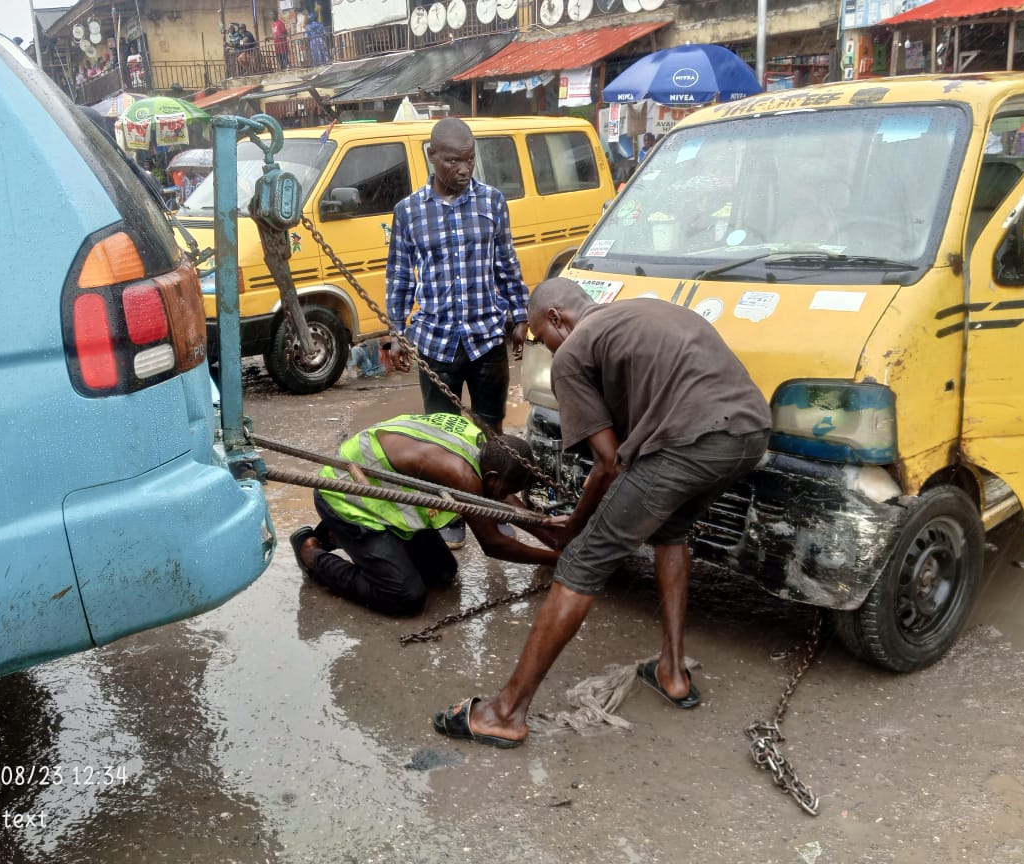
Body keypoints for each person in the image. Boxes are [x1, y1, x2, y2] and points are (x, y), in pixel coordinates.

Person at [431, 278, 772, 748]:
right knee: (671, 532)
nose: (546, 348)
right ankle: (672, 672)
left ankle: (504, 712)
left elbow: (608, 463)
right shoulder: (643, 312)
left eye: (539, 337)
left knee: (582, 563)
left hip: (689, 443)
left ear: (556, 318)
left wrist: (574, 529)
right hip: (750, 436)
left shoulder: (573, 352)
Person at [386, 117, 529, 549]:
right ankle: (450, 515)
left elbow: (507, 264)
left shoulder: (492, 203)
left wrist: (519, 315)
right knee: (441, 435)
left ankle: (496, 510)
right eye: (454, 160)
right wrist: (395, 333)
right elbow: (398, 279)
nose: (464, 169)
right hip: (435, 342)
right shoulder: (408, 212)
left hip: (487, 337)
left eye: (469, 159)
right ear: (433, 157)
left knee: (492, 434)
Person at [289, 413, 560, 617]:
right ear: (490, 477)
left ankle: (339, 536)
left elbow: (506, 499)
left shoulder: (482, 446)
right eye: (502, 490)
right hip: (344, 498)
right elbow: (494, 544)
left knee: (443, 573)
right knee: (405, 597)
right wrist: (559, 559)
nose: (503, 498)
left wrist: (552, 536)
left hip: (384, 501)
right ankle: (312, 553)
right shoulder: (461, 475)